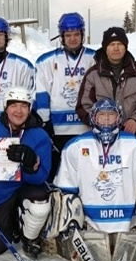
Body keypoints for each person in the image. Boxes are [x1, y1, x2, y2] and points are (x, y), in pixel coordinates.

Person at [38, 98, 136, 261]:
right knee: (63, 201)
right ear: (93, 118)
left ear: (119, 118)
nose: (107, 120)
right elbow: (66, 190)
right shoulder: (75, 146)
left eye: (111, 116)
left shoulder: (134, 145)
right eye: (102, 116)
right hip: (89, 223)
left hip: (127, 223)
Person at [0, 87, 52, 257]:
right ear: (5, 107)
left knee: (40, 198)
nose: (19, 111)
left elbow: (42, 177)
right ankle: (13, 224)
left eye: (24, 106)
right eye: (14, 105)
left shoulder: (39, 135)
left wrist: (31, 165)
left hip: (24, 190)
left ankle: (30, 237)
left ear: (30, 109)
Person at [35, 12, 95, 173]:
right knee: (59, 171)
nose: (73, 38)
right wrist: (45, 122)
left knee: (86, 171)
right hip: (58, 129)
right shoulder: (46, 61)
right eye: (68, 35)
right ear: (62, 36)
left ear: (82, 34)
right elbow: (41, 93)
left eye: (76, 34)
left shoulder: (95, 58)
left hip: (87, 128)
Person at [76, 26, 136, 143]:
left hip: (132, 135)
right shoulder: (93, 74)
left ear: (125, 47)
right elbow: (83, 106)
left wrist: (135, 119)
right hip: (100, 137)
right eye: (112, 45)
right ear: (105, 48)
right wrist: (100, 123)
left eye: (120, 44)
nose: (116, 48)